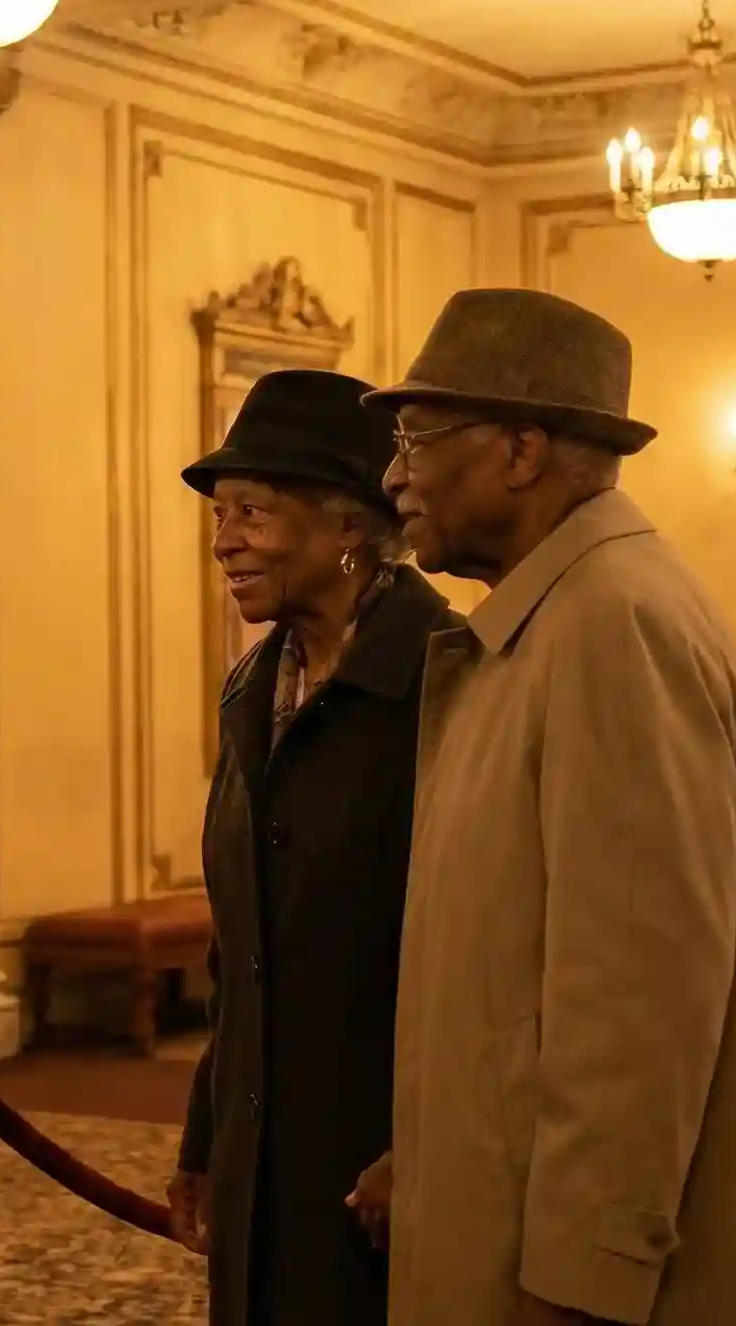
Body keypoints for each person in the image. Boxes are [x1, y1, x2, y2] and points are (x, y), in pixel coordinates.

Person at [365, 288, 736, 1326]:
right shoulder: (551, 624)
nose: (395, 473)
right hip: (502, 1220)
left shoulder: (613, 624)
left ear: (522, 452)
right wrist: (438, 1152)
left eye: (414, 436)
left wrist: (586, 1274)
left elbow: (635, 1002)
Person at [167, 369, 456, 1326]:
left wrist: (425, 1149)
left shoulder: (448, 683)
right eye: (220, 515)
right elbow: (237, 952)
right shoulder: (252, 692)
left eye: (252, 510)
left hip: (387, 1168)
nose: (224, 541)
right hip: (263, 1168)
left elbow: (481, 957)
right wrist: (207, 1140)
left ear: (347, 529)